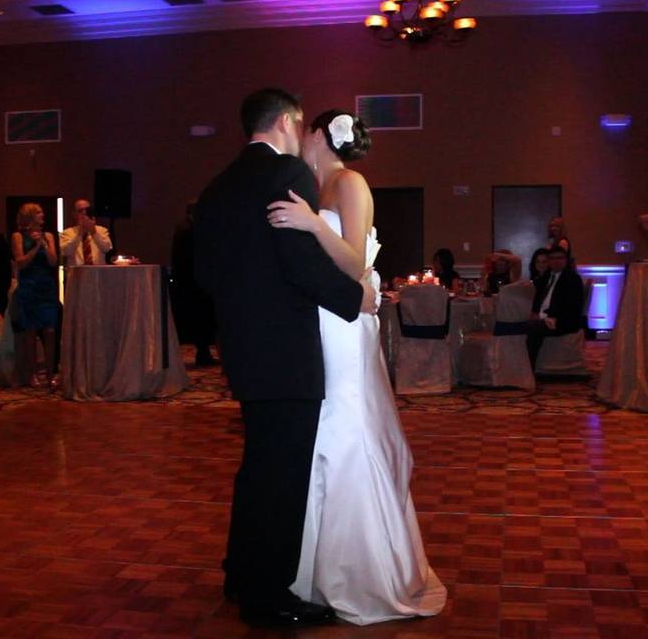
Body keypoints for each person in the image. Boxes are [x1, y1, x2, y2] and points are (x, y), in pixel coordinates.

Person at [194, 89, 374, 628]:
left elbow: (204, 273)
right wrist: (354, 299)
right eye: (299, 126)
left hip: (246, 351)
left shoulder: (216, 186)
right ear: (290, 122)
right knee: (283, 476)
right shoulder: (288, 174)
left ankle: (240, 574)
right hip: (287, 352)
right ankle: (268, 595)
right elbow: (298, 264)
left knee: (258, 469)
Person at [267, 109, 447, 625]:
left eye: (304, 130)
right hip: (320, 319)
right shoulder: (313, 185)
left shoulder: (350, 181)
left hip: (345, 323)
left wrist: (307, 224)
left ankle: (360, 570)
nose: (297, 137)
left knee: (345, 425)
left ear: (320, 135)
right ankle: (309, 569)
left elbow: (353, 263)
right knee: (319, 429)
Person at [10, 203, 59, 390]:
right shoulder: (18, 236)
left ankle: (50, 374)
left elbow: (53, 261)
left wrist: (44, 245)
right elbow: (20, 262)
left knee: (50, 331)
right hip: (29, 287)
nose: (42, 215)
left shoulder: (48, 235)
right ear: (29, 217)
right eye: (38, 213)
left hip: (46, 288)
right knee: (30, 333)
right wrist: (34, 247)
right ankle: (32, 374)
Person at [171, 203, 217, 366]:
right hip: (192, 283)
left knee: (200, 319)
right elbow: (189, 260)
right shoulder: (188, 231)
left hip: (190, 282)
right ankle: (203, 353)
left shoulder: (186, 228)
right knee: (200, 319)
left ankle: (203, 352)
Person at [526, 245, 584, 368]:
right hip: (544, 318)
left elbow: (571, 307)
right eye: (552, 258)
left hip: (563, 321)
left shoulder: (572, 279)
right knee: (518, 325)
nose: (556, 261)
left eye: (560, 258)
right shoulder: (545, 277)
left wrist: (542, 316)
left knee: (533, 328)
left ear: (565, 260)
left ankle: (528, 370)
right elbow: (536, 301)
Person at [59, 199, 113, 266]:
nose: (84, 213)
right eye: (80, 211)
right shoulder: (66, 233)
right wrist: (79, 234)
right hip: (76, 274)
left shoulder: (102, 230)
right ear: (74, 214)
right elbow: (66, 252)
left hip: (97, 273)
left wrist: (94, 232)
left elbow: (106, 249)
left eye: (87, 210)